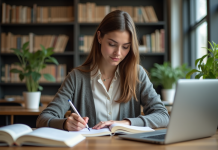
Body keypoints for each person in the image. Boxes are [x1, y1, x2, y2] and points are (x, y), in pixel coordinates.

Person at [36, 10, 169, 131]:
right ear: (99, 37)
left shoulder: (137, 74)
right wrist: (65, 123)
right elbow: (43, 118)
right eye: (112, 44)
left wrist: (126, 123)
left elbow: (163, 116)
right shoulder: (76, 78)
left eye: (125, 47)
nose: (118, 53)